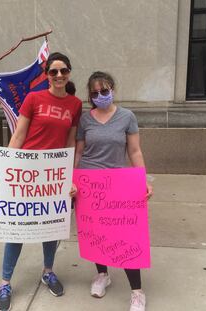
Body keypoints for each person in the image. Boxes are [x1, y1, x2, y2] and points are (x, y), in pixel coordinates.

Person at [0, 52, 82, 311]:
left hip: (52, 176)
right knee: (16, 229)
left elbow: (70, 142)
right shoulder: (34, 98)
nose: (59, 75)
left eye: (63, 70)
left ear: (69, 72)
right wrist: (3, 169)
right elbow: (18, 136)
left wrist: (70, 176)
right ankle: (5, 282)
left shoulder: (75, 104)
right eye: (54, 71)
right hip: (26, 172)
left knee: (51, 226)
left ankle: (48, 271)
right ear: (47, 75)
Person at [74, 71, 153, 311]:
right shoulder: (85, 120)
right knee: (96, 233)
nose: (100, 96)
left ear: (113, 90)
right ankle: (102, 275)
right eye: (95, 93)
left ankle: (137, 292)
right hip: (89, 183)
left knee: (126, 236)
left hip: (119, 184)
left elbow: (135, 151)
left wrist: (143, 179)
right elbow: (78, 152)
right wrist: (73, 179)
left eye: (104, 91)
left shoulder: (127, 116)